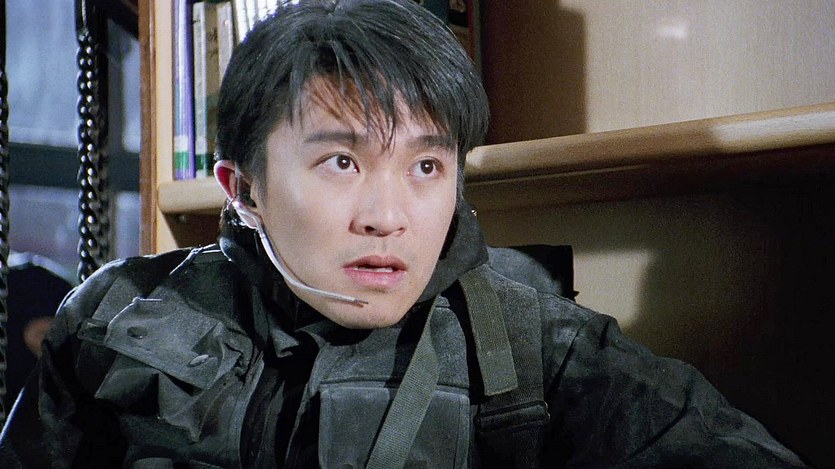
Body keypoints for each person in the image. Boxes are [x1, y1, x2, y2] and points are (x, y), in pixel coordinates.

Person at [8, 0, 809, 467]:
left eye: (426, 166)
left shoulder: (538, 344)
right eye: (341, 163)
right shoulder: (116, 319)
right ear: (242, 187)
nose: (387, 216)